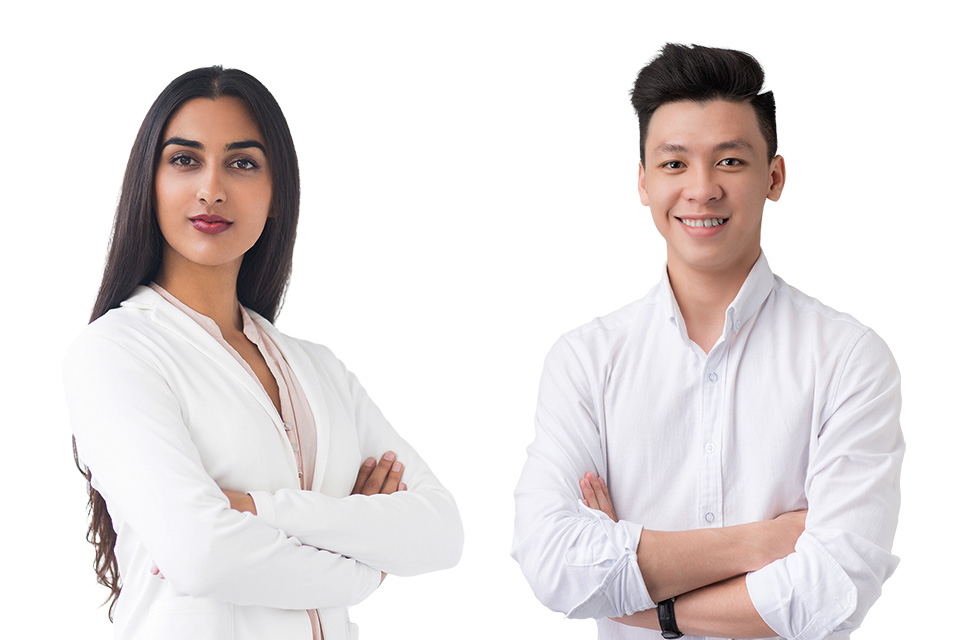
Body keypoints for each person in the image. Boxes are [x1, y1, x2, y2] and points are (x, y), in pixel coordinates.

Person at [512, 44, 903, 640]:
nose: (701, 189)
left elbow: (833, 590)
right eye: (674, 165)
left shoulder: (849, 359)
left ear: (773, 177)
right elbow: (552, 563)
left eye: (729, 162)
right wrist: (759, 543)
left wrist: (637, 592)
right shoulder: (586, 361)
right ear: (643, 183)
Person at [64, 66, 463, 640]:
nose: (212, 188)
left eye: (243, 163)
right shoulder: (114, 353)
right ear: (147, 184)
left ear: (277, 195)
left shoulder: (319, 368)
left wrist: (253, 511)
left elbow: (440, 532)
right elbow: (201, 553)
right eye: (184, 160)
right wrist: (364, 568)